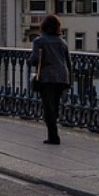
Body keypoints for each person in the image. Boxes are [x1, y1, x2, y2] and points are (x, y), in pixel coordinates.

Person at [29, 14, 72, 145]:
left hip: (47, 77)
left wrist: (29, 61)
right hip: (62, 77)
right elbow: (68, 62)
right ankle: (54, 133)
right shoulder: (62, 42)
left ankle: (53, 136)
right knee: (56, 105)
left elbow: (35, 60)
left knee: (49, 107)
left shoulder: (39, 41)